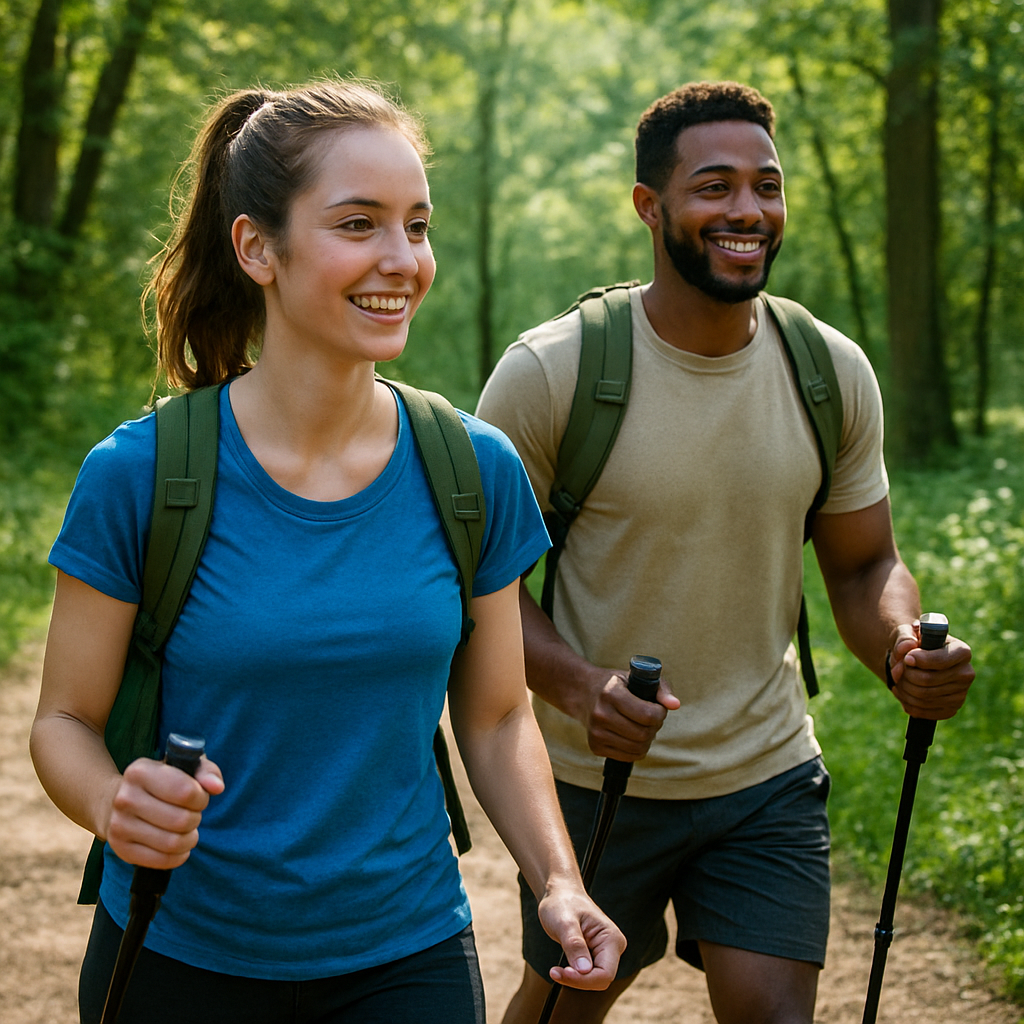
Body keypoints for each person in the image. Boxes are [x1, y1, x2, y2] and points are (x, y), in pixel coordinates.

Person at [30, 79, 624, 1024]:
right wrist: (113, 804)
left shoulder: (473, 470)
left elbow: (501, 715)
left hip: (406, 955)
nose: (403, 260)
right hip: (176, 952)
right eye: (359, 224)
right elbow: (63, 719)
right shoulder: (140, 476)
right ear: (256, 247)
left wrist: (558, 880)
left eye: (417, 225)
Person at [475, 80, 975, 1024]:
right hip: (593, 779)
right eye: (714, 186)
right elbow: (475, 585)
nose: (747, 209)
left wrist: (906, 648)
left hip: (767, 774)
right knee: (563, 1008)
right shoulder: (553, 372)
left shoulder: (828, 369)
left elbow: (866, 566)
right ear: (649, 207)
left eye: (766, 185)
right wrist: (581, 687)